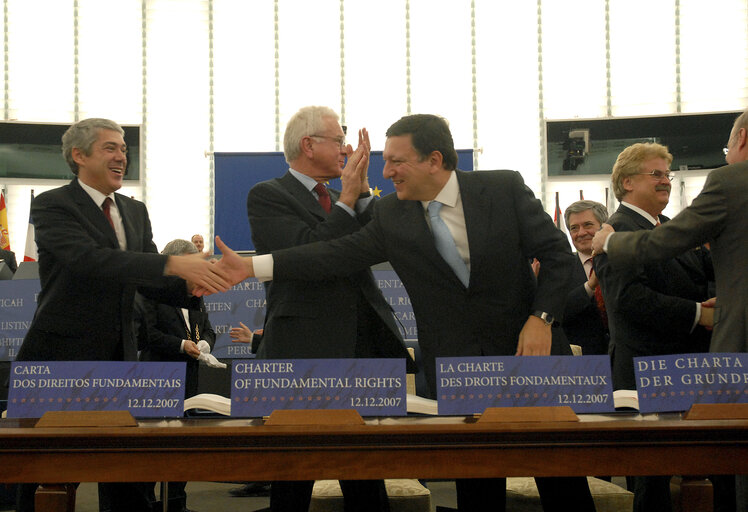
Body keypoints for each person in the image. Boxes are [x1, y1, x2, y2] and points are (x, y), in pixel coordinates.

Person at [211, 113, 596, 512]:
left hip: (531, 354)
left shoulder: (502, 188)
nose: (386, 170)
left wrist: (542, 318)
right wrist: (251, 267)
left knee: (562, 478)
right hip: (459, 369)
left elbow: (555, 256)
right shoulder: (392, 213)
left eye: (396, 160)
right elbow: (331, 255)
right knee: (478, 490)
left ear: (433, 159)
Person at [15, 118, 230, 512]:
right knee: (45, 477)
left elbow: (145, 275)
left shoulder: (134, 211)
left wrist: (196, 285)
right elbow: (90, 261)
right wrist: (175, 264)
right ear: (79, 156)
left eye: (124, 149)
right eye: (110, 148)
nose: (121, 157)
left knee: (127, 478)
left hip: (123, 362)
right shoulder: (53, 204)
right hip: (60, 360)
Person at [246, 105, 417, 512]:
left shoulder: (354, 196)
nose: (346, 149)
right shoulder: (268, 195)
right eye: (338, 140)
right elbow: (309, 254)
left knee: (364, 473)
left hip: (363, 345)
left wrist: (357, 196)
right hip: (304, 349)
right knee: (295, 475)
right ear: (308, 144)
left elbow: (378, 241)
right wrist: (346, 198)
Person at [592, 109, 748, 512]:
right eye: (656, 173)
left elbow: (718, 272)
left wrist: (720, 301)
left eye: (668, 173)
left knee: (719, 464)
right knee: (652, 477)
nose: (666, 179)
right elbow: (629, 301)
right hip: (647, 370)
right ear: (626, 182)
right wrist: (700, 313)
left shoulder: (674, 226)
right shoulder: (613, 232)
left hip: (693, 369)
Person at [561, 200, 609, 355]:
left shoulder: (622, 260)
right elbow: (558, 311)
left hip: (624, 357)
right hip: (583, 365)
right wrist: (590, 285)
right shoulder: (560, 269)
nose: (581, 233)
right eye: (574, 228)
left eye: (588, 225)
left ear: (604, 227)